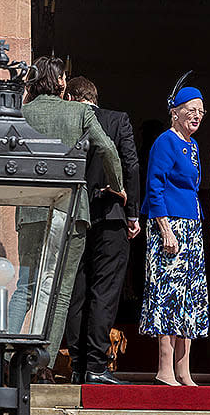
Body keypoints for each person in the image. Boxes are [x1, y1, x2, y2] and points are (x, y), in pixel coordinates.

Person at [10, 56, 126, 382]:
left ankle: (5, 355)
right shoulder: (79, 111)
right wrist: (117, 187)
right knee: (60, 292)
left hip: (31, 208)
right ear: (61, 83)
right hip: (72, 210)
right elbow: (108, 149)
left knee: (26, 287)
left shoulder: (24, 112)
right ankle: (40, 363)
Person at [63, 76, 140, 385]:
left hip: (72, 215)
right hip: (110, 213)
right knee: (104, 292)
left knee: (76, 293)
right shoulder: (117, 119)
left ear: (71, 97)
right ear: (94, 96)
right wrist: (132, 211)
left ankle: (78, 366)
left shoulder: (67, 122)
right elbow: (131, 164)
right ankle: (97, 365)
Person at [139, 85, 209, 386]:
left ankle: (184, 369)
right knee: (168, 293)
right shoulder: (165, 142)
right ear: (174, 112)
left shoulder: (192, 145)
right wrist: (165, 229)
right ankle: (165, 369)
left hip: (192, 227)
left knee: (190, 296)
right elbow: (154, 186)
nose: (196, 116)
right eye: (190, 110)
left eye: (200, 112)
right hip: (169, 227)